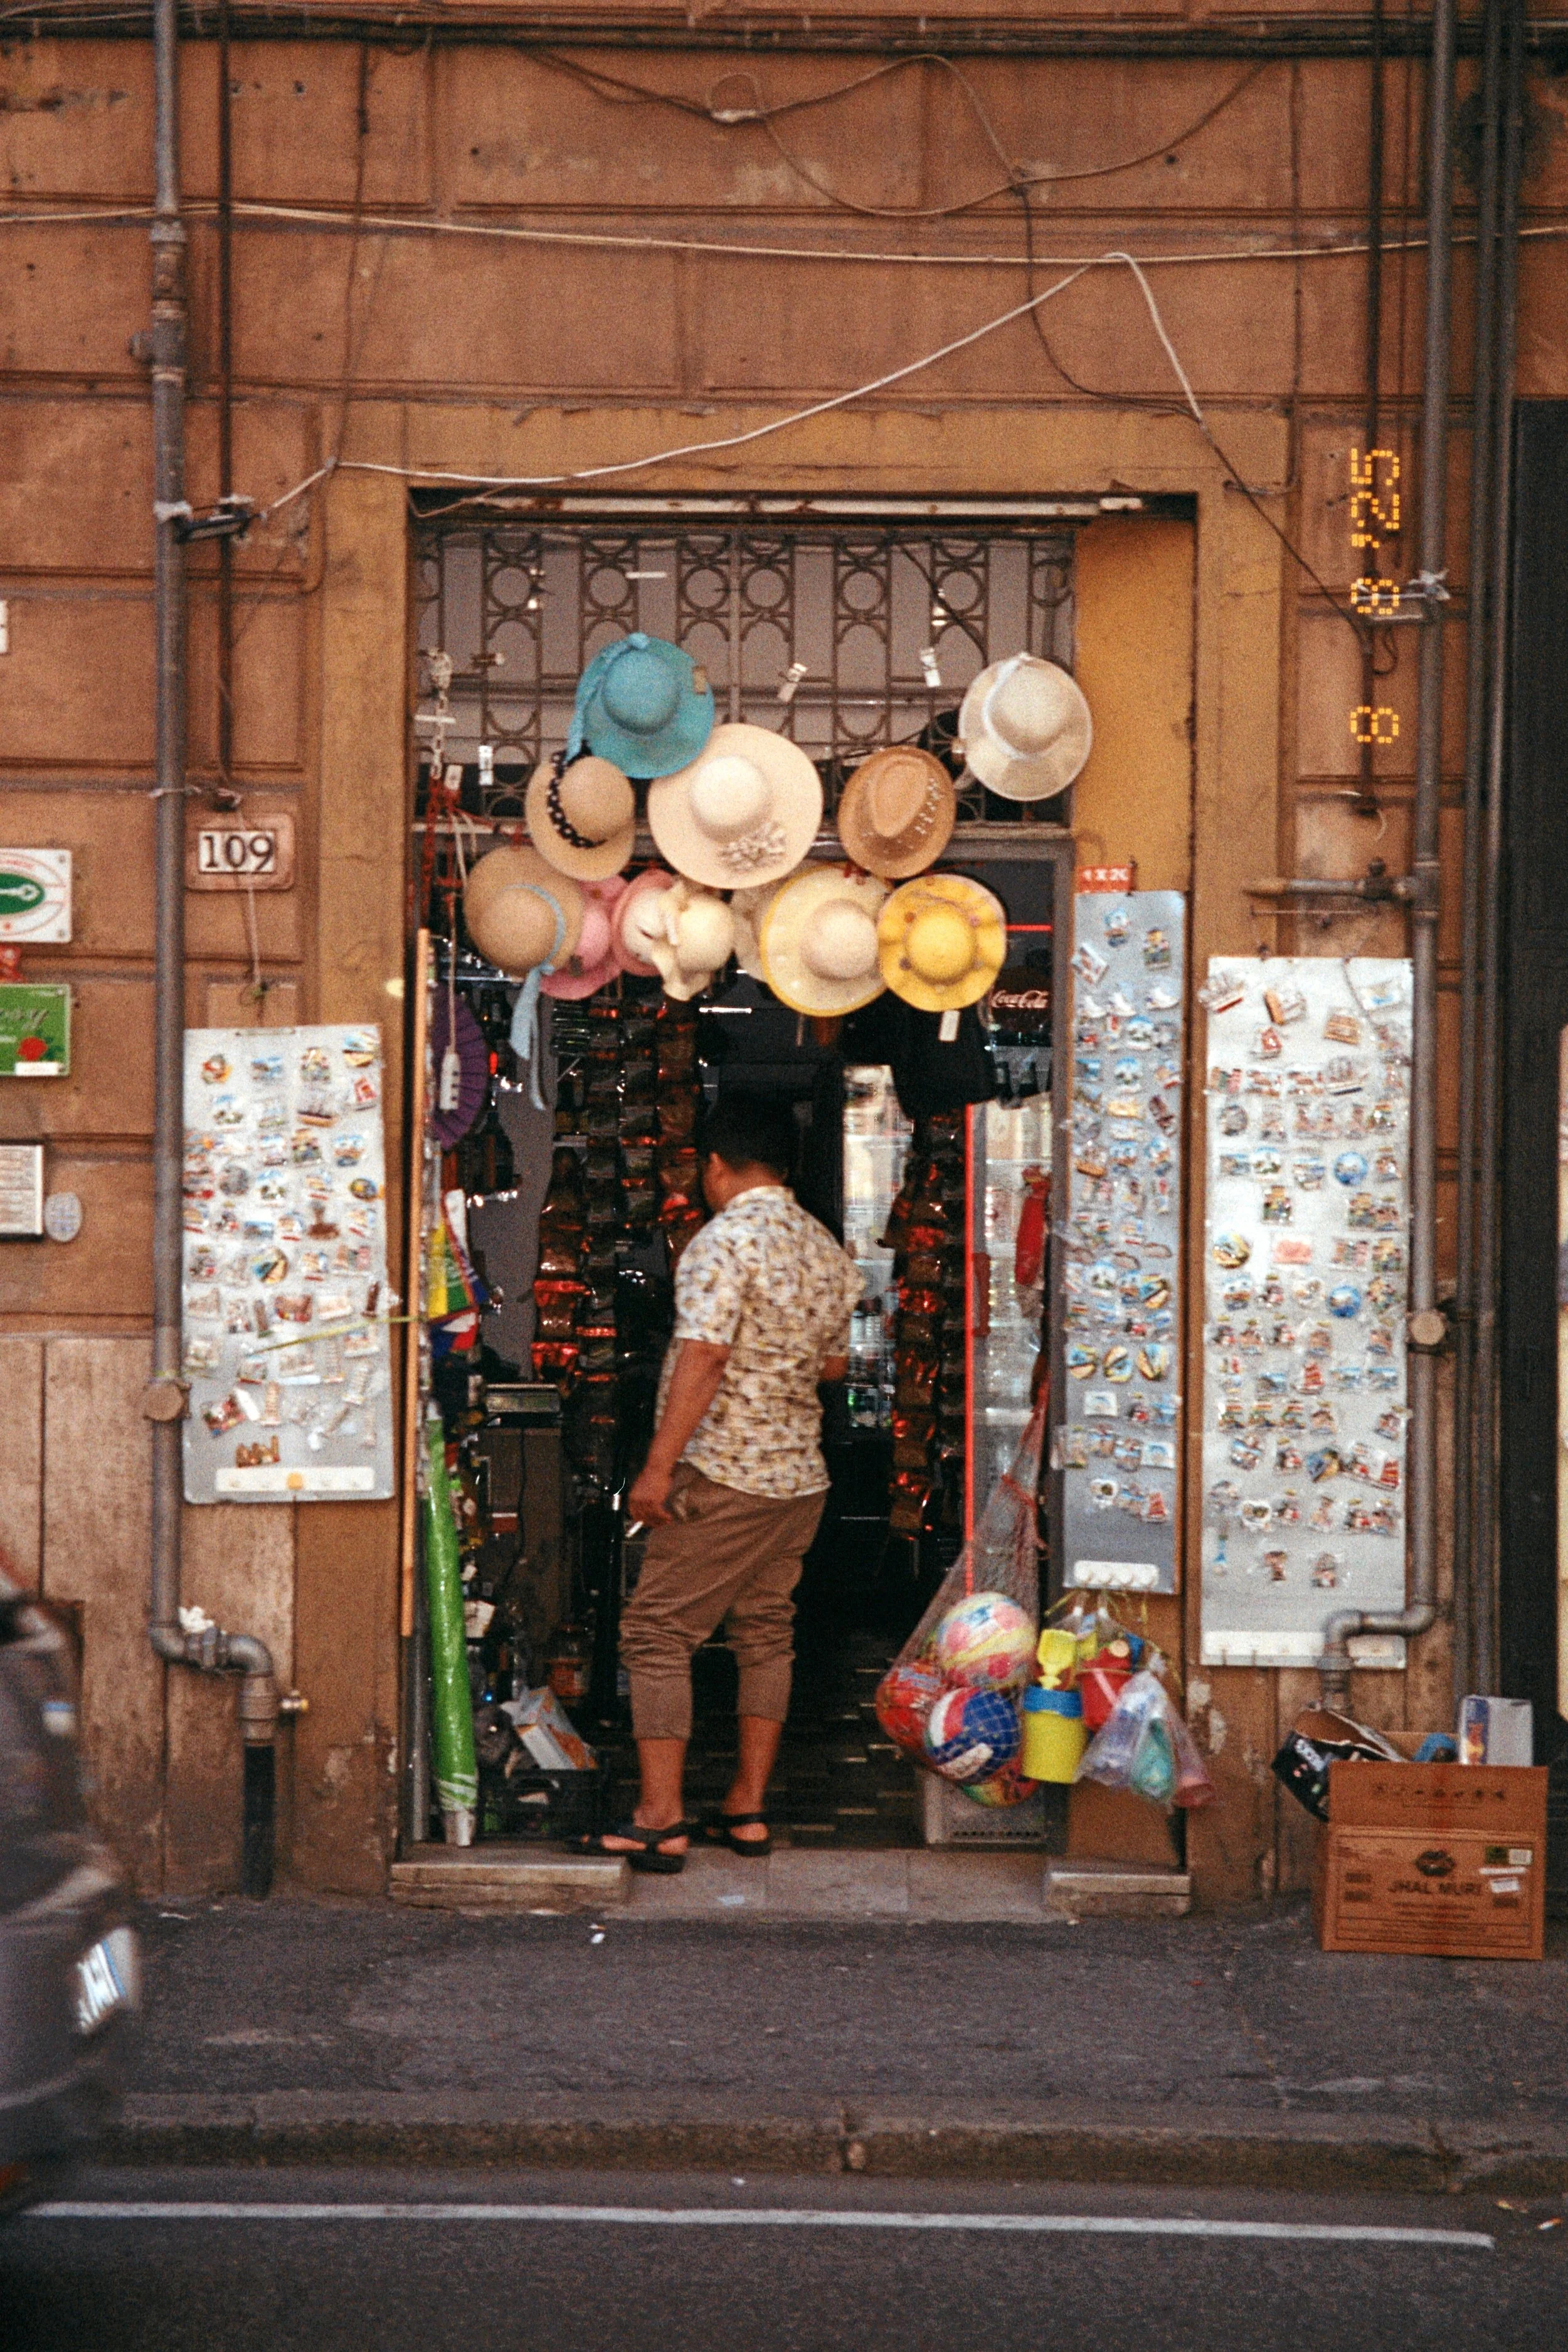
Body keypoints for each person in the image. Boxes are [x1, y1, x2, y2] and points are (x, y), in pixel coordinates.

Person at [593, 1092, 862, 1873]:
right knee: (764, 1632)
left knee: (656, 1632)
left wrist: (654, 1467)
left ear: (715, 1165)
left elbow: (705, 1357)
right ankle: (745, 1807)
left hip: (727, 1471)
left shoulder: (721, 1243)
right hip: (799, 1477)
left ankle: (660, 1817)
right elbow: (836, 1366)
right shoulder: (823, 1247)